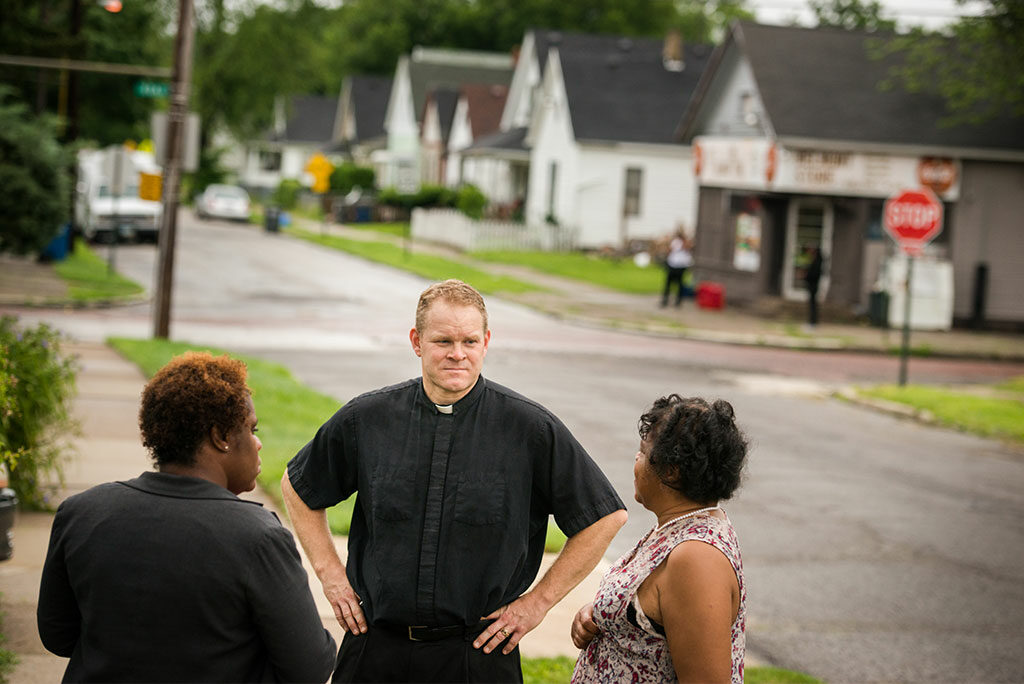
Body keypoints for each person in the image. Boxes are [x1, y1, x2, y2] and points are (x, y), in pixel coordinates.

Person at [282, 279, 627, 683]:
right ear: (417, 341)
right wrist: (331, 578)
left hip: (476, 658)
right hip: (375, 650)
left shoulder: (530, 429)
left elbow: (605, 517)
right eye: (443, 341)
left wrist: (537, 604)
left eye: (470, 341)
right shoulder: (367, 419)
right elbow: (299, 486)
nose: (457, 354)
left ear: (486, 342)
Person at [37, 352, 337, 683]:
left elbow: (57, 635)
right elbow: (309, 666)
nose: (258, 443)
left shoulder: (81, 512)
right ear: (221, 437)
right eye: (251, 429)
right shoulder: (257, 538)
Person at [571, 395, 748, 683]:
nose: (636, 460)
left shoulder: (696, 558)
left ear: (671, 471)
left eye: (642, 452)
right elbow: (651, 616)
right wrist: (602, 617)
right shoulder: (678, 527)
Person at [661, 232, 694, 308]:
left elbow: (688, 248)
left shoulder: (686, 242)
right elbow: (669, 250)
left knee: (680, 284)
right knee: (668, 283)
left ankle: (678, 301)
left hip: (681, 266)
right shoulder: (674, 242)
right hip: (672, 264)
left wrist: (684, 242)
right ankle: (665, 300)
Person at [804, 246, 823, 328]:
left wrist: (806, 276)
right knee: (812, 305)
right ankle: (812, 322)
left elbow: (813, 274)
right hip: (812, 286)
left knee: (813, 305)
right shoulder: (816, 261)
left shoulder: (817, 262)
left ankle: (813, 322)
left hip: (813, 286)